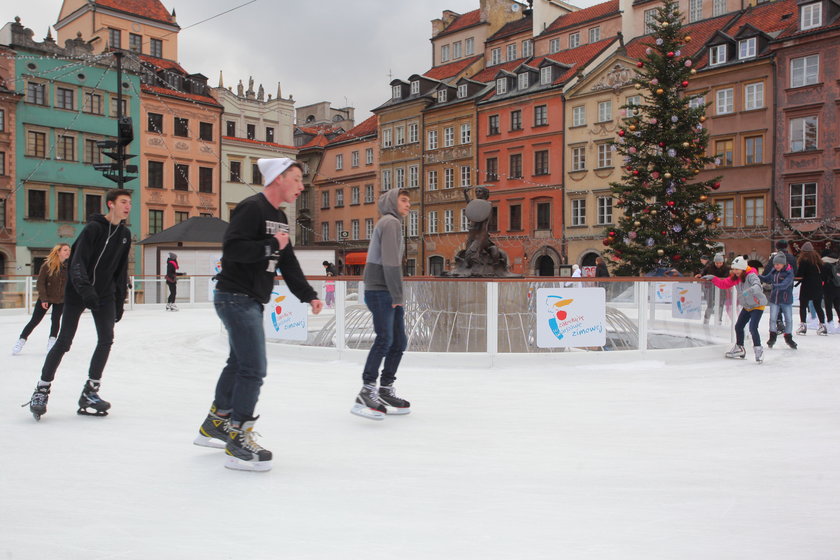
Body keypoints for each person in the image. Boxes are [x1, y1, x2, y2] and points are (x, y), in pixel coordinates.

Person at [194, 157, 323, 472]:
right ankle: (238, 436)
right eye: (295, 179)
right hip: (234, 296)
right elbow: (233, 249)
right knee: (254, 367)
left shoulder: (279, 217)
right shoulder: (251, 208)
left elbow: (287, 261)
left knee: (238, 363)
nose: (300, 186)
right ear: (278, 178)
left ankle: (217, 422)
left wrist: (308, 295)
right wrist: (269, 246)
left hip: (248, 298)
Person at [25, 189, 133, 420]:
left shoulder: (125, 234)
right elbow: (77, 262)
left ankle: (90, 392)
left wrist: (119, 299)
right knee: (64, 341)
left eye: (129, 203)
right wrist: (85, 290)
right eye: (123, 202)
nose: (127, 206)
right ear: (111, 204)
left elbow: (121, 270)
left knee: (106, 339)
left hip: (103, 295)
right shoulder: (93, 229)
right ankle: (42, 389)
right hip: (77, 292)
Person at [352, 188, 412, 421]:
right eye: (404, 200)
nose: (408, 205)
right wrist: (397, 295)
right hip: (381, 290)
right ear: (391, 202)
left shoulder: (392, 223)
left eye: (409, 201)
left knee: (398, 340)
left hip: (385, 290)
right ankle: (367, 390)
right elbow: (390, 262)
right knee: (386, 339)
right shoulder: (390, 223)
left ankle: (385, 389)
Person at [703, 256, 767, 363]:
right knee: (738, 326)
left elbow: (758, 286)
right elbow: (724, 284)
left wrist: (748, 291)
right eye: (734, 269)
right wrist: (713, 278)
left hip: (757, 305)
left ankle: (758, 349)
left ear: (742, 268)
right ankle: (740, 348)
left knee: (753, 328)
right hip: (747, 306)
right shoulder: (737, 277)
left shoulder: (751, 275)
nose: (734, 271)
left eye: (737, 269)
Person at [13, 243, 70, 355]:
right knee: (35, 321)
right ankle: (21, 340)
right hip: (46, 298)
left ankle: (51, 342)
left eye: (69, 250)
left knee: (56, 320)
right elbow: (40, 283)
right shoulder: (47, 265)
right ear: (58, 252)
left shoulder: (69, 266)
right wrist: (44, 299)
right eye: (65, 250)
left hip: (61, 299)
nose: (68, 252)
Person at [758, 252, 797, 349]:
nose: (776, 266)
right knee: (773, 319)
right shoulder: (773, 271)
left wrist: (772, 286)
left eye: (778, 264)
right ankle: (772, 337)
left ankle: (788, 337)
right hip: (774, 299)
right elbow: (767, 279)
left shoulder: (789, 272)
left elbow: (785, 284)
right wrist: (757, 276)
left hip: (786, 299)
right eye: (775, 264)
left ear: (783, 263)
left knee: (788, 319)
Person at [795, 242, 827, 336]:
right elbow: (823, 274)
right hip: (817, 285)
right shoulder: (818, 261)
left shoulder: (804, 260)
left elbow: (800, 275)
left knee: (803, 306)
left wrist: (796, 277)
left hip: (807, 285)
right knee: (818, 306)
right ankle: (823, 326)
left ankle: (803, 326)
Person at [695, 253, 729, 325]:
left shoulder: (726, 268)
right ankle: (706, 320)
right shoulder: (709, 267)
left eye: (720, 263)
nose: (719, 264)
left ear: (723, 262)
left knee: (720, 305)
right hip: (710, 288)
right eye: (717, 263)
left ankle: (719, 321)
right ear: (714, 262)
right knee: (710, 305)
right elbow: (703, 273)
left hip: (722, 289)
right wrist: (700, 275)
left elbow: (726, 277)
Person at [820, 247, 840, 330]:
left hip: (828, 288)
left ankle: (830, 323)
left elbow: (823, 277)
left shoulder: (825, 266)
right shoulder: (837, 265)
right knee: (838, 306)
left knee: (828, 306)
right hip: (838, 287)